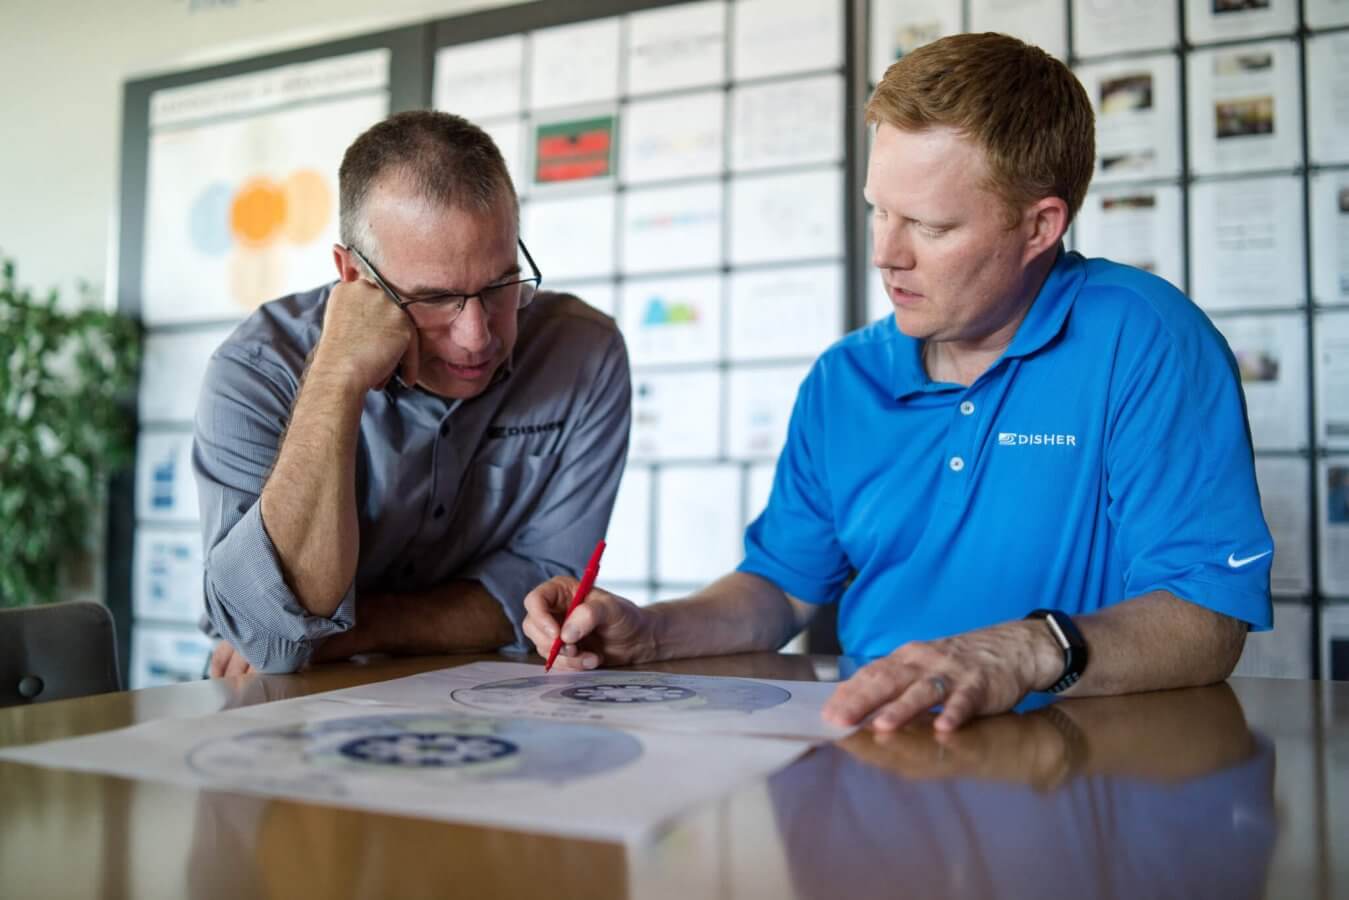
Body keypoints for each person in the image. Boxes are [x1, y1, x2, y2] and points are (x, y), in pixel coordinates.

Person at [522, 33, 1273, 732]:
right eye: (878, 211)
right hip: (876, 750)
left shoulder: (1145, 341)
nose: (887, 254)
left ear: (1039, 227)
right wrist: (652, 632)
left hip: (1073, 762)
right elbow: (780, 589)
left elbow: (1206, 618)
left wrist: (1021, 651)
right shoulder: (843, 379)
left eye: (931, 226)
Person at [194, 111, 630, 676]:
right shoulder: (257, 370)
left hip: (486, 698)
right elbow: (275, 638)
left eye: (501, 285)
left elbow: (546, 591)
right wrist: (334, 378)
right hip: (282, 708)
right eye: (435, 298)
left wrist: (352, 631)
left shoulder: (583, 355)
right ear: (354, 276)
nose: (477, 336)